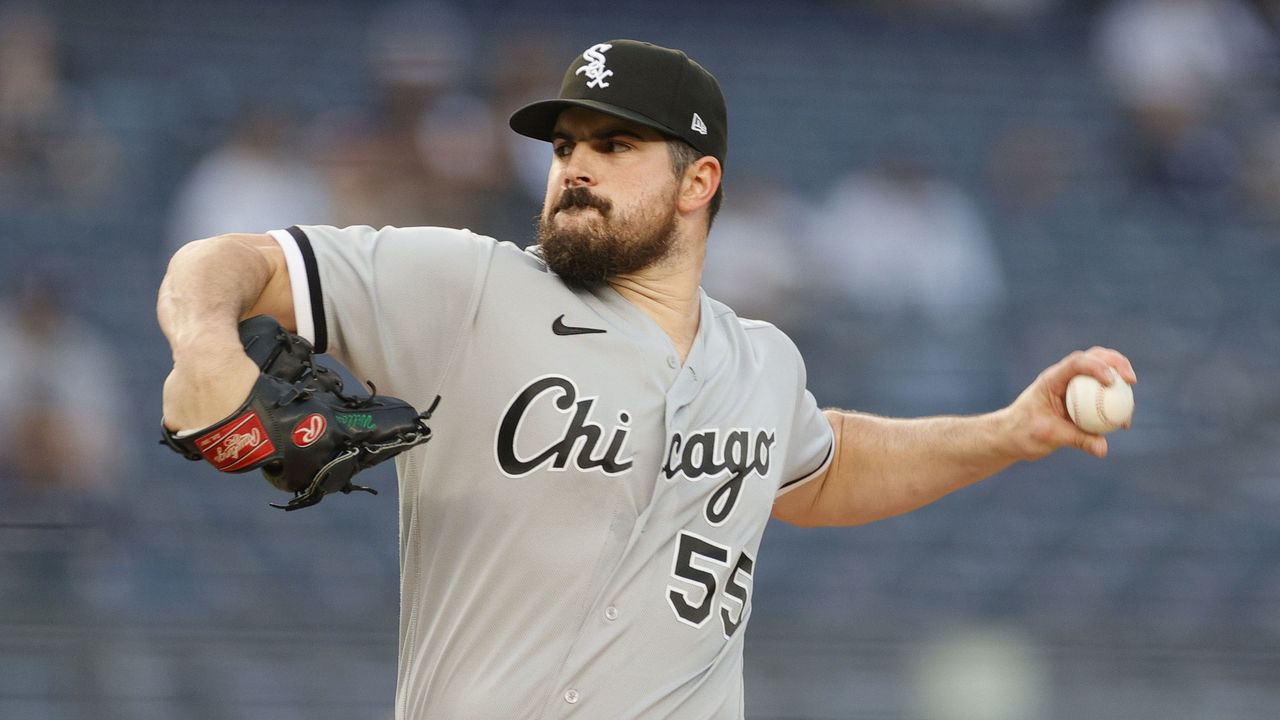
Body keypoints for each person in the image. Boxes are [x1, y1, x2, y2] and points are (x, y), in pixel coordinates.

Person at [157, 39, 1136, 720]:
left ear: (697, 182)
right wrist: (206, 344)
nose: (575, 166)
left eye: (613, 145)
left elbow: (825, 470)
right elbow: (226, 258)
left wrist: (1008, 431)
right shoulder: (468, 286)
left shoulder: (761, 360)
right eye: (564, 145)